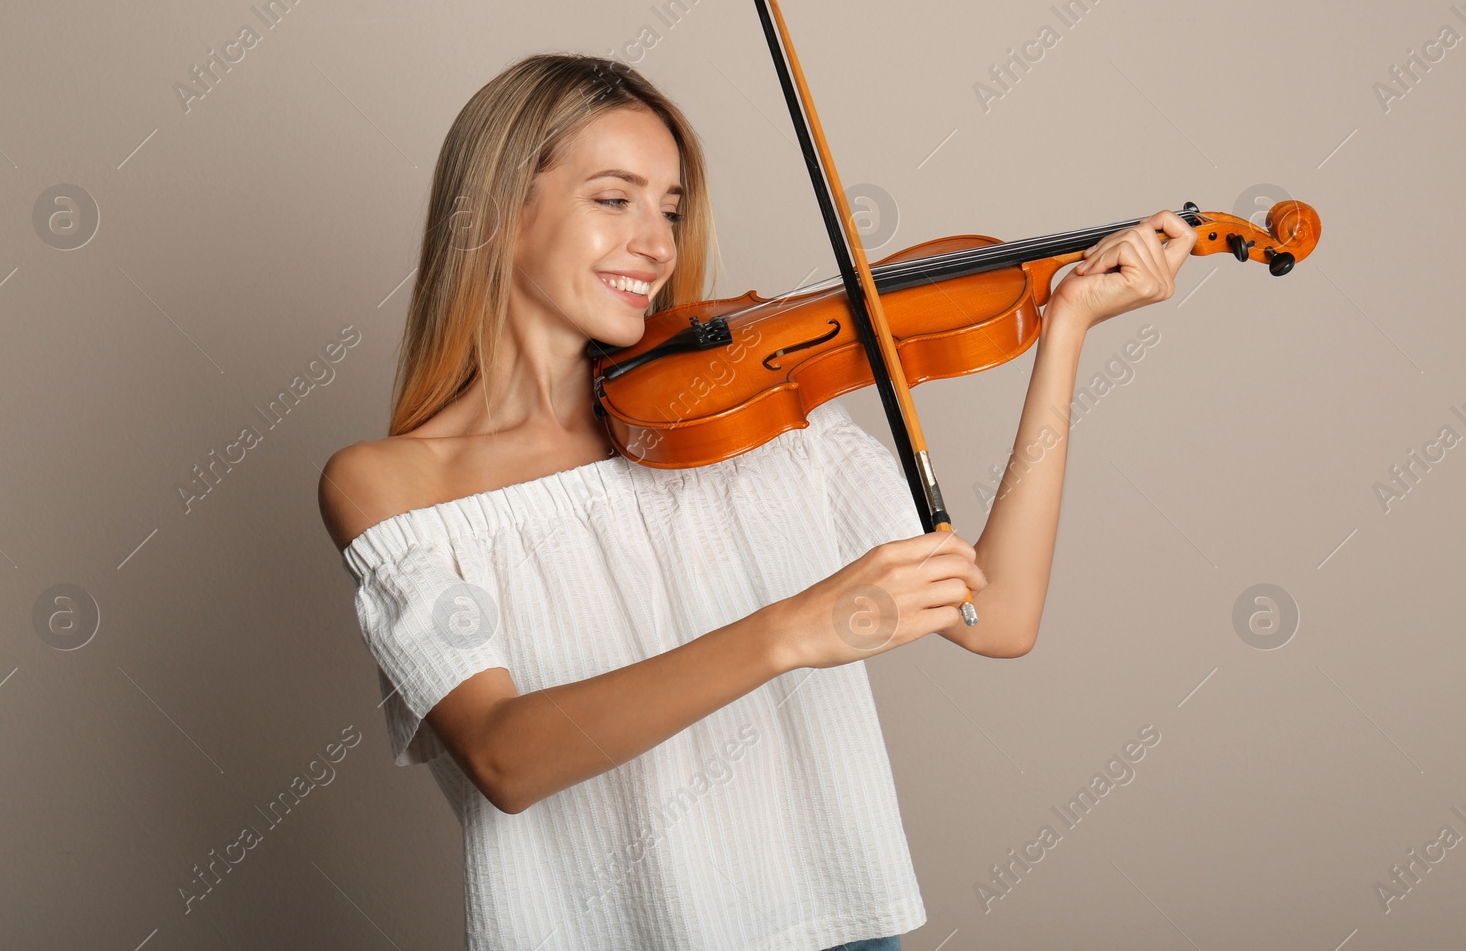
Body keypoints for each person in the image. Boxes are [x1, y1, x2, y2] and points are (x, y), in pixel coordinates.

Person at [319, 52, 1196, 951]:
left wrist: (1065, 332)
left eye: (669, 207)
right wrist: (792, 631)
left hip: (835, 931)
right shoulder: (392, 485)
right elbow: (506, 754)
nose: (658, 243)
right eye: (614, 199)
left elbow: (997, 613)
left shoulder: (749, 409)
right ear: (497, 214)